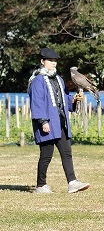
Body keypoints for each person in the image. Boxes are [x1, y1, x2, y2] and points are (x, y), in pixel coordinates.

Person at [28, 47, 91, 194]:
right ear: (42, 61)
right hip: (47, 123)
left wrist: (74, 100)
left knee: (67, 152)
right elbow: (37, 102)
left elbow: (65, 99)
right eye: (50, 60)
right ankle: (40, 185)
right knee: (46, 156)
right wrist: (43, 122)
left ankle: (72, 182)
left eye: (55, 60)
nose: (54, 63)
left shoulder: (59, 79)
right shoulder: (37, 80)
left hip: (61, 122)